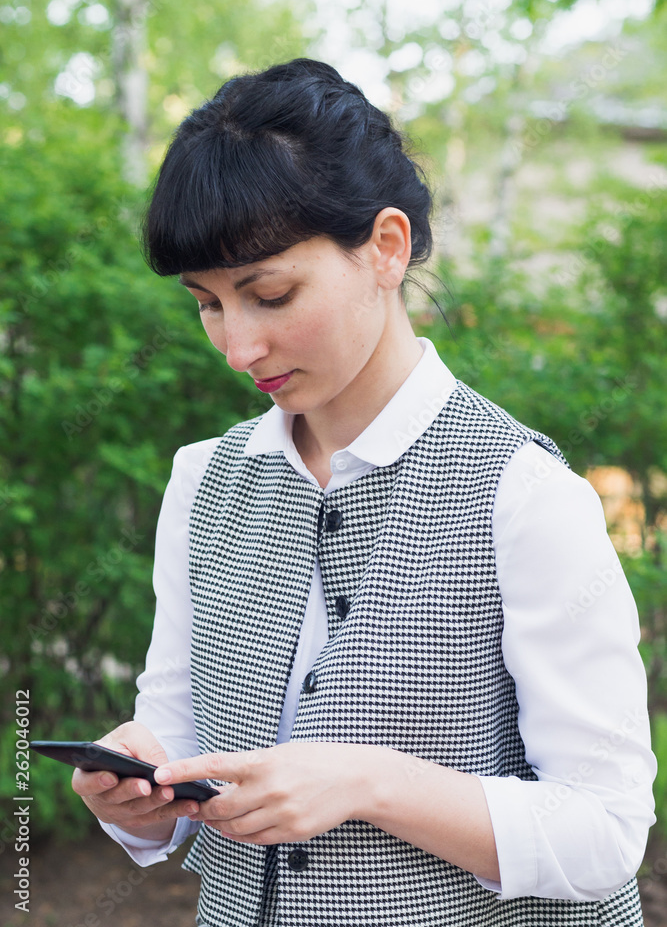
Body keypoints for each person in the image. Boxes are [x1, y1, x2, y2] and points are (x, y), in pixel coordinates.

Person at [72, 58, 656, 927]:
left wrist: (367, 781)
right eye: (208, 304)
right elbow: (179, 734)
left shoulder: (523, 495)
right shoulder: (204, 481)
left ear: (386, 247)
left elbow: (604, 831)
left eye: (270, 294)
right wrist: (139, 795)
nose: (237, 347)